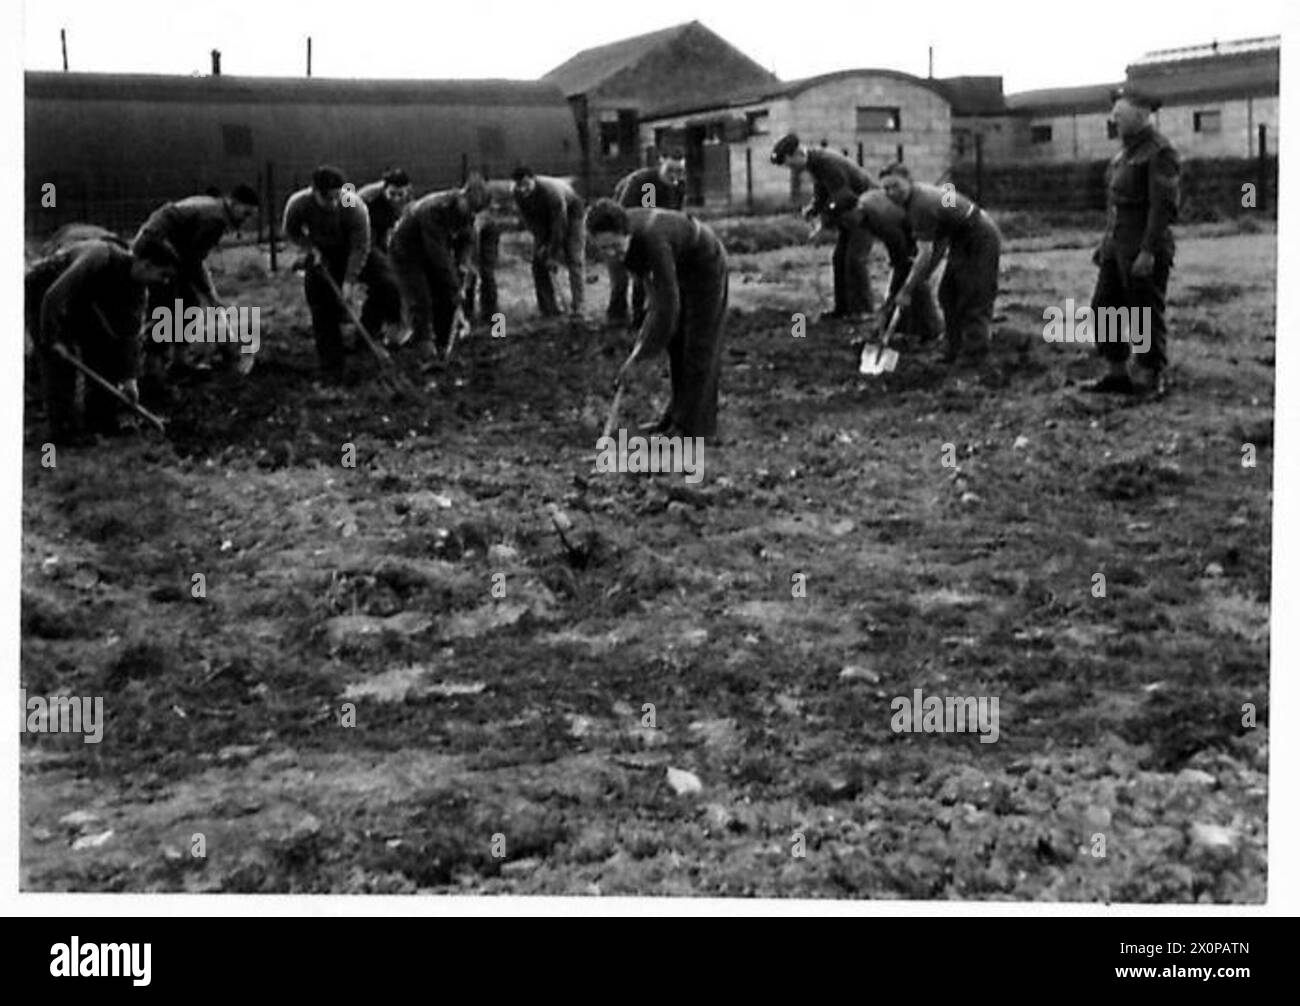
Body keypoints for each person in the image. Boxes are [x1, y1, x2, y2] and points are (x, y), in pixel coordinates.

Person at [587, 199, 729, 439]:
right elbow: (654, 299)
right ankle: (675, 417)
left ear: (627, 233)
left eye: (614, 246)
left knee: (698, 345)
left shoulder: (653, 240)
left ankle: (694, 429)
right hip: (677, 268)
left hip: (705, 265)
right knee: (675, 344)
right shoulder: (628, 246)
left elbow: (667, 307)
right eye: (603, 249)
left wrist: (640, 356)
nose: (611, 254)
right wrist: (640, 347)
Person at [27, 239, 177, 442]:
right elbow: (53, 296)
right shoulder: (99, 256)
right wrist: (51, 339)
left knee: (103, 347)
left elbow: (129, 337)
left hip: (81, 299)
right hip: (43, 290)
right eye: (163, 274)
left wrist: (129, 379)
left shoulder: (138, 291)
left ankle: (101, 420)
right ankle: (63, 431)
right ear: (146, 264)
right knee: (59, 364)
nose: (164, 281)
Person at [1086, 84, 1180, 397]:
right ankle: (1116, 372)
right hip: (1116, 247)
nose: (1115, 120)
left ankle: (1150, 375)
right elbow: (1115, 204)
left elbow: (1162, 206)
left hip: (1142, 247)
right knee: (1103, 306)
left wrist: (1148, 251)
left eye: (1121, 114)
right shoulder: (1123, 154)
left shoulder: (1159, 151)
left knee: (1143, 311)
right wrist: (1105, 244)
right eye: (1113, 115)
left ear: (1141, 114)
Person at [878, 163, 1001, 366]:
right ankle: (953, 350)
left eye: (895, 186)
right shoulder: (914, 200)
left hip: (980, 236)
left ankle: (975, 355)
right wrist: (921, 276)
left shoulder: (920, 205)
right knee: (948, 294)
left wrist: (907, 290)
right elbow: (939, 240)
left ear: (909, 182)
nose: (891, 192)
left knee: (973, 295)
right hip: (960, 238)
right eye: (886, 188)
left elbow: (925, 254)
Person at [771, 132, 876, 320]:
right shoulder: (814, 164)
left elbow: (844, 196)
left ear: (797, 154)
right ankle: (843, 308)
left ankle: (864, 311)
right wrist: (815, 207)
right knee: (839, 259)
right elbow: (824, 191)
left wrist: (824, 224)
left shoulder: (826, 162)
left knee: (855, 260)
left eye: (790, 164)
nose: (791, 169)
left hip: (868, 210)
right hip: (852, 213)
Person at [281, 165, 371, 379]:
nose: (333, 203)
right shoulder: (299, 203)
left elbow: (360, 246)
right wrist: (310, 249)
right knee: (321, 308)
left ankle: (365, 340)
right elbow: (290, 231)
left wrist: (349, 281)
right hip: (320, 252)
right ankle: (332, 366)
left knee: (385, 283)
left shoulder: (352, 205)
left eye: (337, 197)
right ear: (314, 192)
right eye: (327, 198)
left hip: (349, 250)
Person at [390, 173, 490, 362]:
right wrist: (454, 285)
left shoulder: (467, 213)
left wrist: (463, 264)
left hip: (433, 251)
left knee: (446, 298)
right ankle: (424, 349)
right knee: (422, 299)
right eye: (470, 209)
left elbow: (467, 240)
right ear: (463, 195)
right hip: (406, 253)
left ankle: (443, 345)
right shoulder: (434, 209)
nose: (471, 215)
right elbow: (437, 253)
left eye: (475, 212)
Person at [829, 188, 942, 343]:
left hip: (932, 232)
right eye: (841, 222)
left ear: (856, 210)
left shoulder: (880, 216)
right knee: (901, 282)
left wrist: (903, 273)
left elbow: (901, 246)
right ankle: (897, 328)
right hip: (908, 233)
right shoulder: (864, 214)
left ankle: (931, 332)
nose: (845, 225)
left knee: (916, 281)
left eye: (846, 219)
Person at [608, 150, 687, 325]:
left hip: (650, 231)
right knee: (622, 280)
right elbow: (644, 215)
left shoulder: (679, 187)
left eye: (679, 171)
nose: (675, 176)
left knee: (645, 277)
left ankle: (640, 319)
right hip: (620, 228)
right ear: (661, 162)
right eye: (671, 170)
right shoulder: (647, 184)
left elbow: (675, 216)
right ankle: (615, 319)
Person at [512, 166, 585, 318]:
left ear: (534, 180)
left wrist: (552, 253)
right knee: (539, 261)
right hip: (543, 217)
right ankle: (548, 308)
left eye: (526, 184)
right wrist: (541, 244)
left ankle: (578, 306)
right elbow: (529, 221)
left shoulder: (551, 192)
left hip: (571, 212)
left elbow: (560, 225)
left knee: (573, 257)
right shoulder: (517, 193)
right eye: (520, 186)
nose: (523, 189)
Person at [356, 168, 412, 343]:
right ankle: (388, 327)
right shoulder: (366, 199)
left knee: (387, 286)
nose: (396, 198)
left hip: (383, 243)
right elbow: (362, 237)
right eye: (392, 194)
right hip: (361, 244)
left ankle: (370, 331)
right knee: (388, 283)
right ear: (384, 188)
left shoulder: (407, 200)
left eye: (400, 194)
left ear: (408, 189)